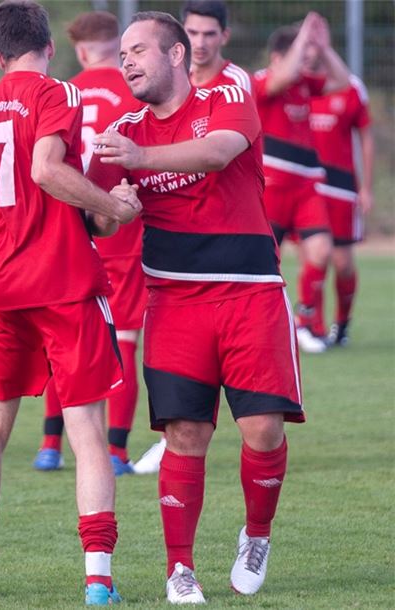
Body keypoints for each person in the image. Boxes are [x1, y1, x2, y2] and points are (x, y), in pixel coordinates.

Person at [89, 11, 305, 602]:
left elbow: (216, 153)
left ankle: (256, 533)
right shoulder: (122, 126)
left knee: (262, 429)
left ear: (178, 55)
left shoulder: (228, 93)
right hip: (174, 300)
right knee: (185, 433)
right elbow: (100, 220)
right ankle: (179, 569)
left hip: (249, 292)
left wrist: (138, 161)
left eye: (138, 50)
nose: (126, 61)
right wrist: (113, 205)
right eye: (123, 53)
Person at [0, 2, 142, 604]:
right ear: (49, 46)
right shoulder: (58, 92)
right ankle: (98, 581)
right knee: (86, 427)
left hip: (2, 282)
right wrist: (113, 209)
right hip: (63, 283)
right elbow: (45, 170)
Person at [34, 10, 146, 476]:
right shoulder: (134, 91)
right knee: (124, 338)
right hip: (124, 230)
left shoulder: (66, 92)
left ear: (80, 51)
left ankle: (49, 445)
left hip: (74, 233)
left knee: (66, 339)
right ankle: (116, 452)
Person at [253, 14, 350, 353]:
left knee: (321, 251)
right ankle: (266, 329)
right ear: (277, 57)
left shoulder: (304, 84)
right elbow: (281, 79)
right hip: (272, 187)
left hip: (307, 186)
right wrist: (302, 39)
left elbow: (341, 81)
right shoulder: (262, 81)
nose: (306, 60)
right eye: (300, 53)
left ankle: (304, 321)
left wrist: (322, 47)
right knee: (265, 265)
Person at [309, 75, 374, 346]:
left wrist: (366, 188)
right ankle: (314, 327)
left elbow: (366, 137)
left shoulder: (349, 87)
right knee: (316, 256)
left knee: (343, 264)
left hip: (342, 186)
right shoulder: (294, 86)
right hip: (308, 184)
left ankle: (342, 323)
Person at [181, 1, 251, 92]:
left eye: (209, 34)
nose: (200, 44)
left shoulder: (237, 81)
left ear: (225, 36)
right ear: (181, 33)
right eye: (193, 33)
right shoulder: (176, 78)